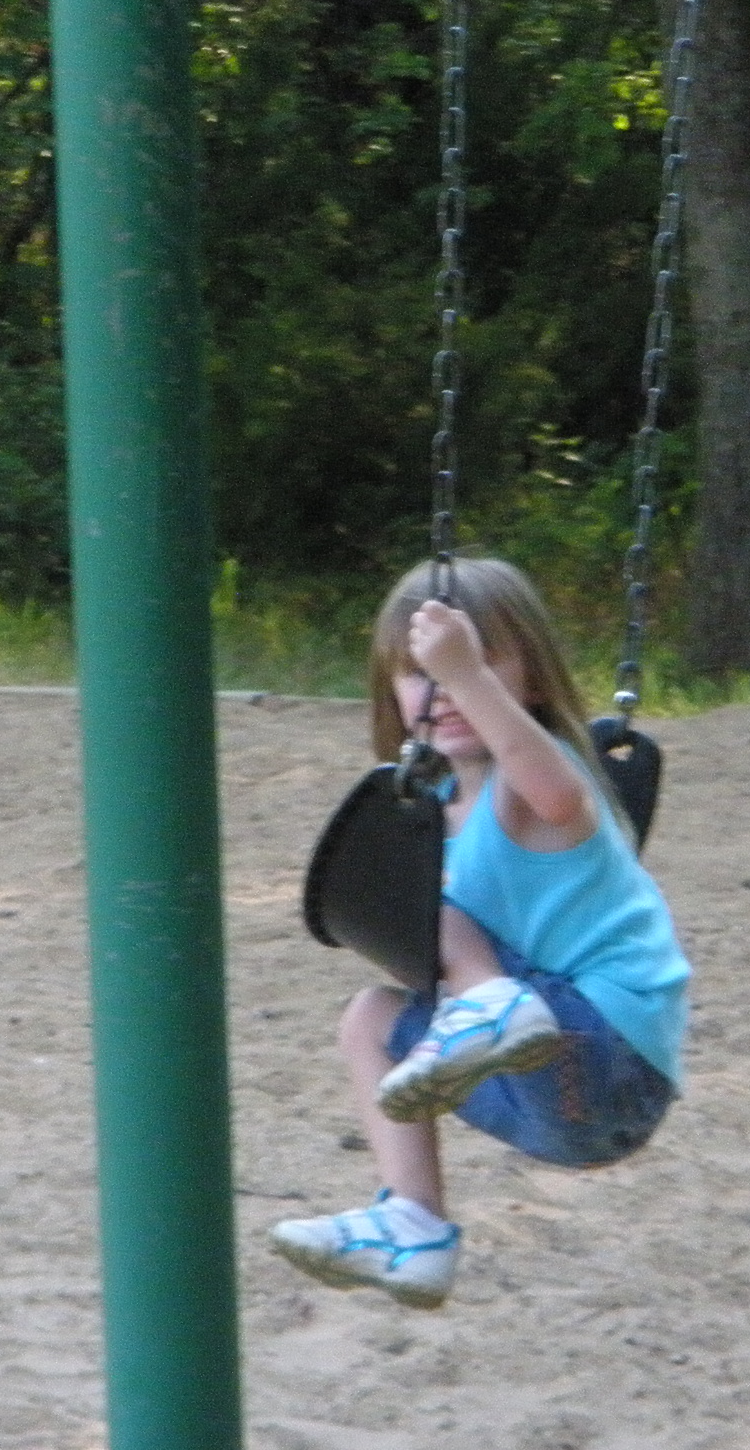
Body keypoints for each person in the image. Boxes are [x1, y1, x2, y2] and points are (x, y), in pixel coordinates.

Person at [270, 557, 690, 1310]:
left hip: (609, 1054)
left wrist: (464, 674)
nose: (444, 689)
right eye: (419, 673)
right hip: (552, 1110)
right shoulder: (433, 805)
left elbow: (553, 792)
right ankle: (414, 1225)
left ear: (531, 679)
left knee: (434, 902)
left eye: (473, 663)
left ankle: (491, 1001)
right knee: (369, 1018)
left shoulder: (538, 784)